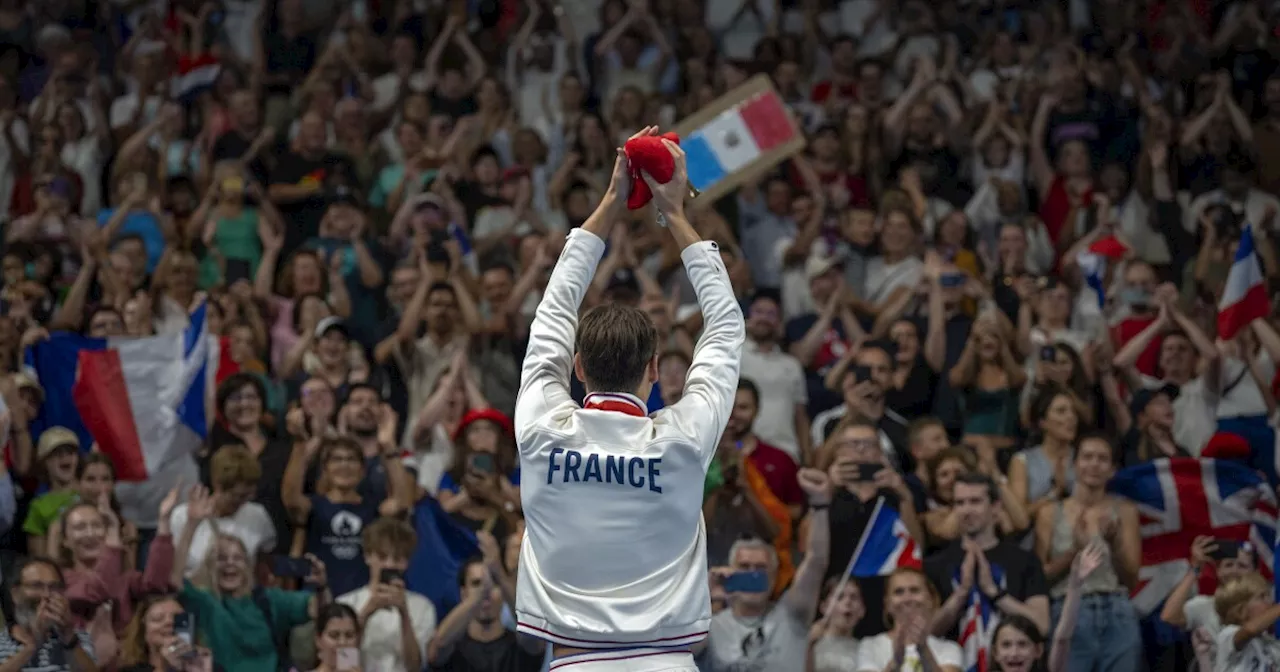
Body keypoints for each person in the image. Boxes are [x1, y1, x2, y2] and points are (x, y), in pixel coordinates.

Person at [512, 129, 744, 668]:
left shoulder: (544, 427)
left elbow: (551, 314)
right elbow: (726, 328)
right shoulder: (683, 438)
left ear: (577, 367)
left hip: (575, 662)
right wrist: (675, 214)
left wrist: (611, 203)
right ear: (654, 371)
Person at [698, 468, 832, 670]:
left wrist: (820, 506)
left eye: (761, 567)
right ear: (730, 571)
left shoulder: (793, 615)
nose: (753, 572)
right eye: (744, 567)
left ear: (774, 575)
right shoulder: (709, 626)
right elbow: (677, 652)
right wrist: (703, 600)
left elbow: (816, 560)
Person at [925, 471, 1050, 664]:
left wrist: (995, 593)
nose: (966, 510)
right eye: (960, 503)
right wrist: (960, 595)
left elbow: (1041, 626)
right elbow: (926, 633)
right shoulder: (935, 564)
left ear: (995, 507)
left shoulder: (1024, 561)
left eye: (975, 501)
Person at [335, 517, 436, 672]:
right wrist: (366, 613)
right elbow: (343, 662)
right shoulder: (346, 604)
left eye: (397, 559)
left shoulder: (423, 606)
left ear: (407, 562)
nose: (389, 564)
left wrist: (404, 614)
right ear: (368, 556)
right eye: (382, 557)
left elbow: (414, 666)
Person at [0, 556, 96, 671]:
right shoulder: (2, 642)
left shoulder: (76, 639)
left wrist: (68, 636)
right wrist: (32, 645)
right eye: (36, 586)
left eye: (54, 587)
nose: (46, 594)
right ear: (15, 594)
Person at [1212, 572, 1280, 670]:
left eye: (1268, 596)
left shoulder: (1267, 641)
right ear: (1240, 609)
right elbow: (1250, 630)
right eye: (1262, 597)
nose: (1270, 601)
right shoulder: (1227, 634)